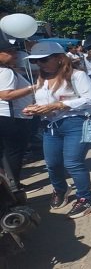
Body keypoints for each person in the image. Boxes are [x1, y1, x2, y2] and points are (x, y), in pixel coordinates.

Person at [22, 41, 91, 218]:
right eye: (35, 61)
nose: (39, 64)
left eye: (43, 59)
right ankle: (60, 189)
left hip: (76, 123)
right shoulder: (41, 79)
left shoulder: (77, 75)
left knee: (73, 162)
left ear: (59, 58)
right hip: (50, 126)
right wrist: (34, 109)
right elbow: (44, 103)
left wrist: (60, 104)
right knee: (52, 164)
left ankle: (86, 198)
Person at [0, 39, 36, 192]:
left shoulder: (7, 70)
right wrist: (33, 87)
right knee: (14, 152)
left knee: (6, 153)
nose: (15, 53)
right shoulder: (6, 72)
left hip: (6, 116)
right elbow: (6, 95)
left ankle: (9, 184)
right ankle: (14, 185)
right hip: (11, 118)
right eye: (10, 51)